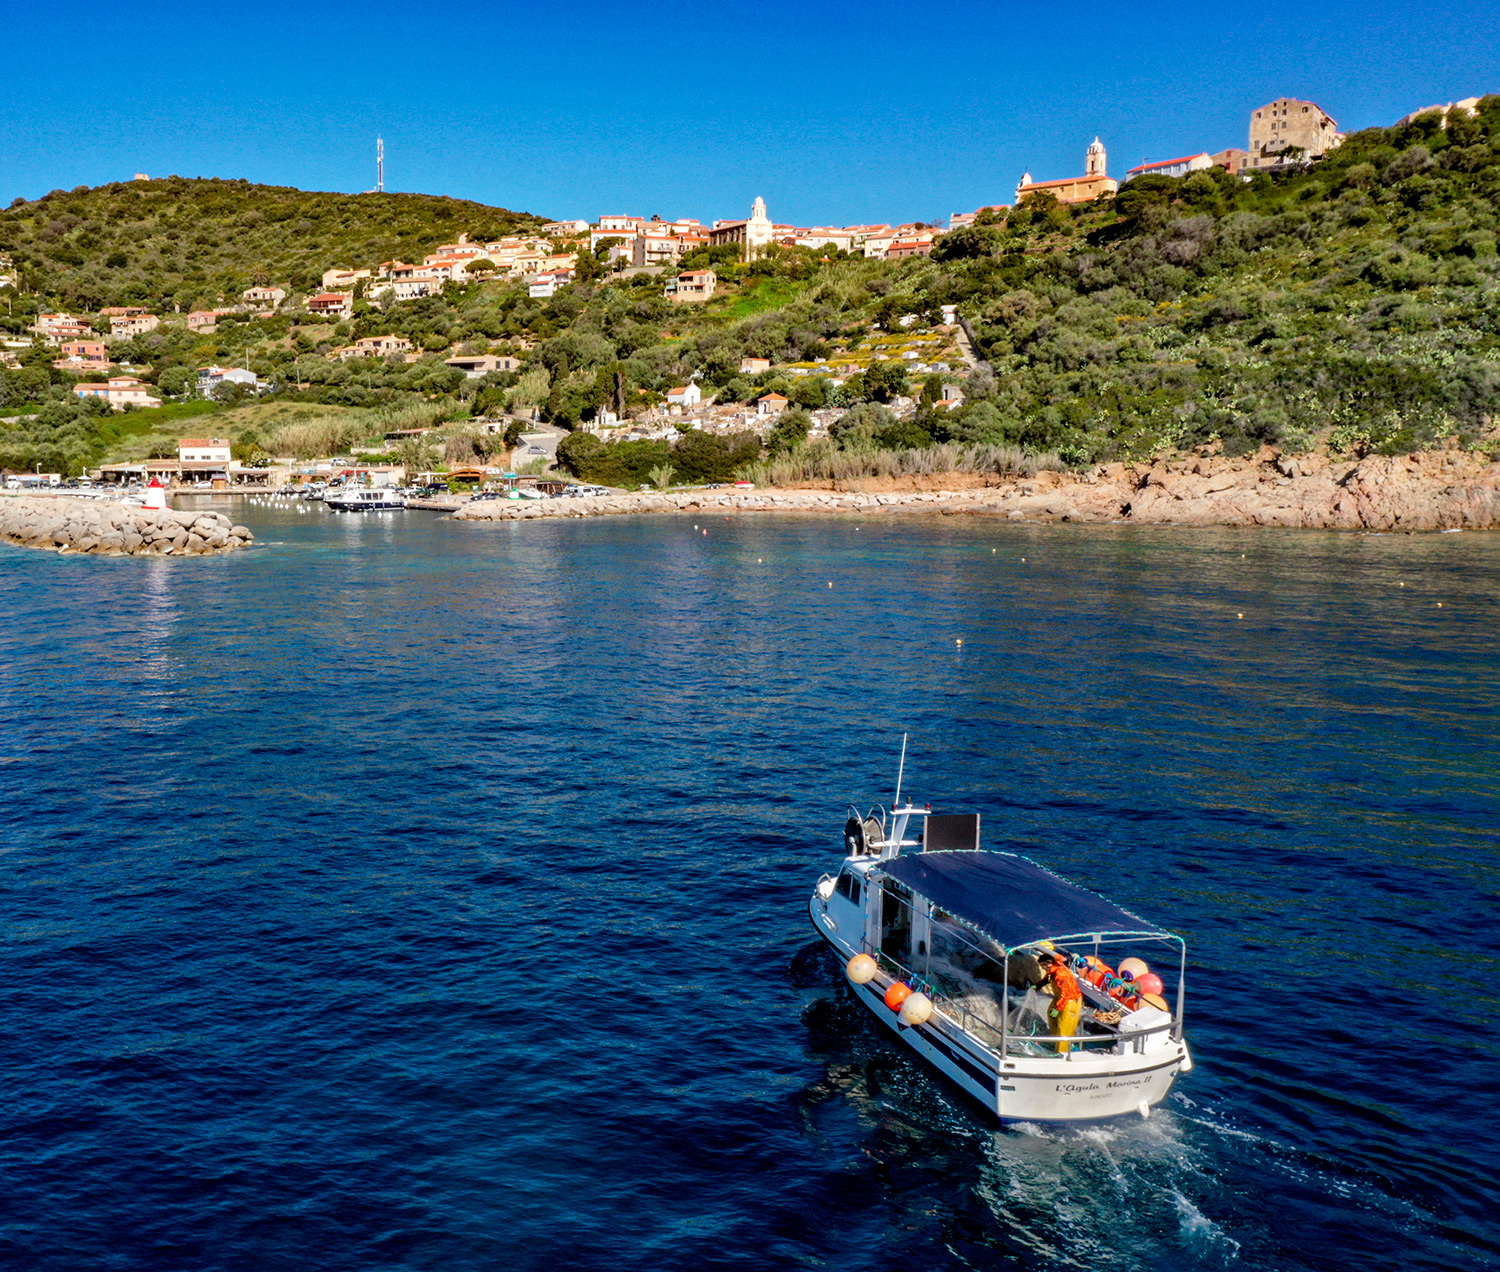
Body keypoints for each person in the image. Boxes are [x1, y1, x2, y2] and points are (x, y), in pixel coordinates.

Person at [1040, 951, 1082, 1053]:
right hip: (1059, 998)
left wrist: (1057, 1008)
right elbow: (1048, 978)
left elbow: (1066, 994)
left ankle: (1061, 1052)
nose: (1042, 968)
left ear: (1048, 964)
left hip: (1071, 1001)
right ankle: (1056, 1042)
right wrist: (1038, 985)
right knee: (1052, 1017)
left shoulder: (1061, 974)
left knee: (1064, 1028)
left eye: (1043, 966)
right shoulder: (1052, 971)